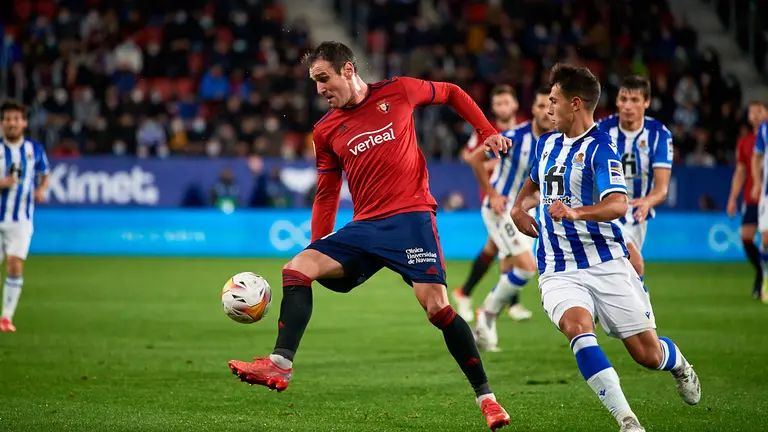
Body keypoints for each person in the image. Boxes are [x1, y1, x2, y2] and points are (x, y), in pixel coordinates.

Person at [228, 41, 512, 431]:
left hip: (411, 218)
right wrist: (318, 243)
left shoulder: (398, 91)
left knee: (437, 308)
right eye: (314, 82)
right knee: (297, 268)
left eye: (323, 78)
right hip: (365, 227)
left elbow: (451, 92)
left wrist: (486, 131)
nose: (319, 89)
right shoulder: (326, 130)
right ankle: (279, 365)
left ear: (347, 70)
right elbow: (327, 194)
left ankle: (488, 400)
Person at [509, 64, 700, 432]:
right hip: (557, 267)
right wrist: (519, 208)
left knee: (647, 354)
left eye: (554, 101)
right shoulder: (546, 142)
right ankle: (627, 421)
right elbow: (532, 186)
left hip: (606, 262)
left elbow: (617, 204)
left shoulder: (601, 148)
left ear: (576, 104)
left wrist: (574, 212)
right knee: (576, 327)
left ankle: (678, 365)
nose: (547, 109)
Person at [468, 87, 553, 352]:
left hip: (525, 211)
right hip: (500, 208)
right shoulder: (514, 136)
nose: (546, 112)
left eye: (550, 106)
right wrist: (492, 193)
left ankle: (486, 321)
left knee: (515, 269)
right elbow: (474, 158)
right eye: (540, 106)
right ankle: (486, 315)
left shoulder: (557, 142)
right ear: (532, 110)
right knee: (527, 267)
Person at [452, 85, 533, 323]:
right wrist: (490, 164)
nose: (502, 108)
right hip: (495, 198)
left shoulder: (525, 130)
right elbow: (468, 155)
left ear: (515, 105)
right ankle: (506, 304)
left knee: (497, 249)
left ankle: (466, 293)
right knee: (510, 250)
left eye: (506, 103)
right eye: (498, 104)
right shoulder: (485, 130)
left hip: (518, 199)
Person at [596, 76, 673, 290]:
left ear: (646, 102)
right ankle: (646, 322)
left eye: (635, 100)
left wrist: (648, 201)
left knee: (622, 277)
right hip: (607, 210)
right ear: (617, 102)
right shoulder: (601, 131)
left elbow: (662, 189)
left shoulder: (659, 135)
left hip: (638, 214)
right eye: (624, 99)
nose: (628, 106)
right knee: (636, 265)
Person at [0, 100, 50, 332]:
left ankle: (6, 318)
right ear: (2, 123)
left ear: (24, 123)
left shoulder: (34, 149)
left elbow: (45, 173)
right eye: (8, 119)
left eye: (16, 119)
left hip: (21, 220)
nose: (12, 123)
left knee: (14, 263)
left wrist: (41, 189)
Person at [729, 101, 768, 298]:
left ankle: (763, 280)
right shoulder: (745, 141)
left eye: (759, 111)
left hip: (766, 195)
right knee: (746, 237)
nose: (755, 115)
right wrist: (733, 198)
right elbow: (741, 171)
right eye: (752, 112)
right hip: (752, 197)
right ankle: (761, 272)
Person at [751, 110, 768, 303]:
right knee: (765, 239)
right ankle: (765, 277)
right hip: (767, 191)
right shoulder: (764, 130)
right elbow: (757, 157)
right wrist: (757, 182)